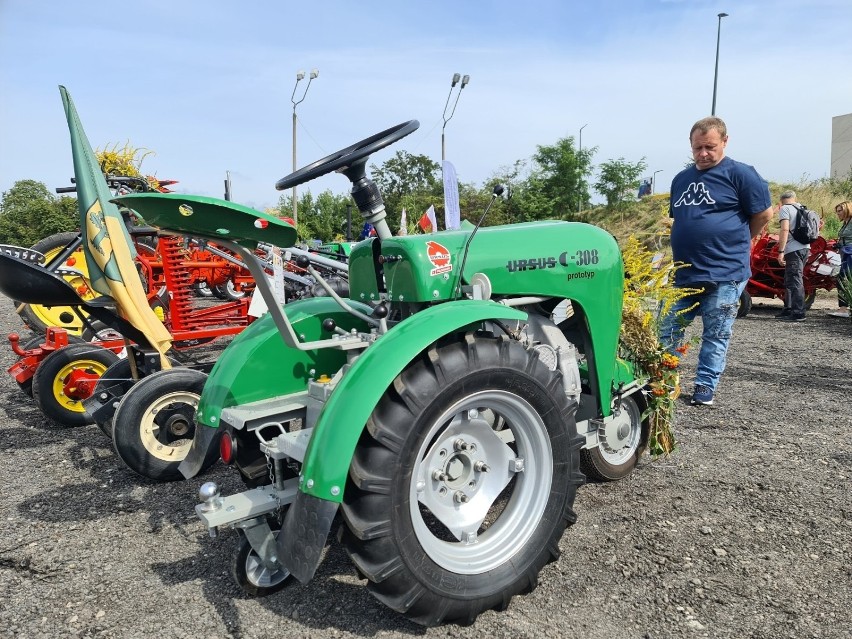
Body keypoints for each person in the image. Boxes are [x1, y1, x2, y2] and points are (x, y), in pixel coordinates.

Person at [659, 116, 773, 406]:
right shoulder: (681, 179)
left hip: (726, 271)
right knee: (667, 326)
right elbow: (682, 219)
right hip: (684, 272)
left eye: (709, 147)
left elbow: (763, 214)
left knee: (716, 332)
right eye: (698, 148)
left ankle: (704, 387)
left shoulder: (742, 175)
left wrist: (741, 240)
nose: (703, 154)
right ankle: (664, 381)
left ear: (725, 141)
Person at [774, 190, 810, 321]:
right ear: (795, 198)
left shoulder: (785, 209)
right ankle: (788, 308)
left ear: (781, 200)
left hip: (793, 249)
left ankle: (798, 313)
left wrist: (781, 251)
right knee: (790, 278)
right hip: (805, 248)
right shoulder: (802, 208)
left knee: (794, 280)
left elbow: (784, 229)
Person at [829, 200, 852, 318]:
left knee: (844, 278)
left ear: (847, 209)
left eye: (840, 210)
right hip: (845, 252)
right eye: (837, 211)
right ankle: (844, 308)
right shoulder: (846, 223)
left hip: (850, 253)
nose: (838, 213)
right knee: (843, 278)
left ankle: (843, 309)